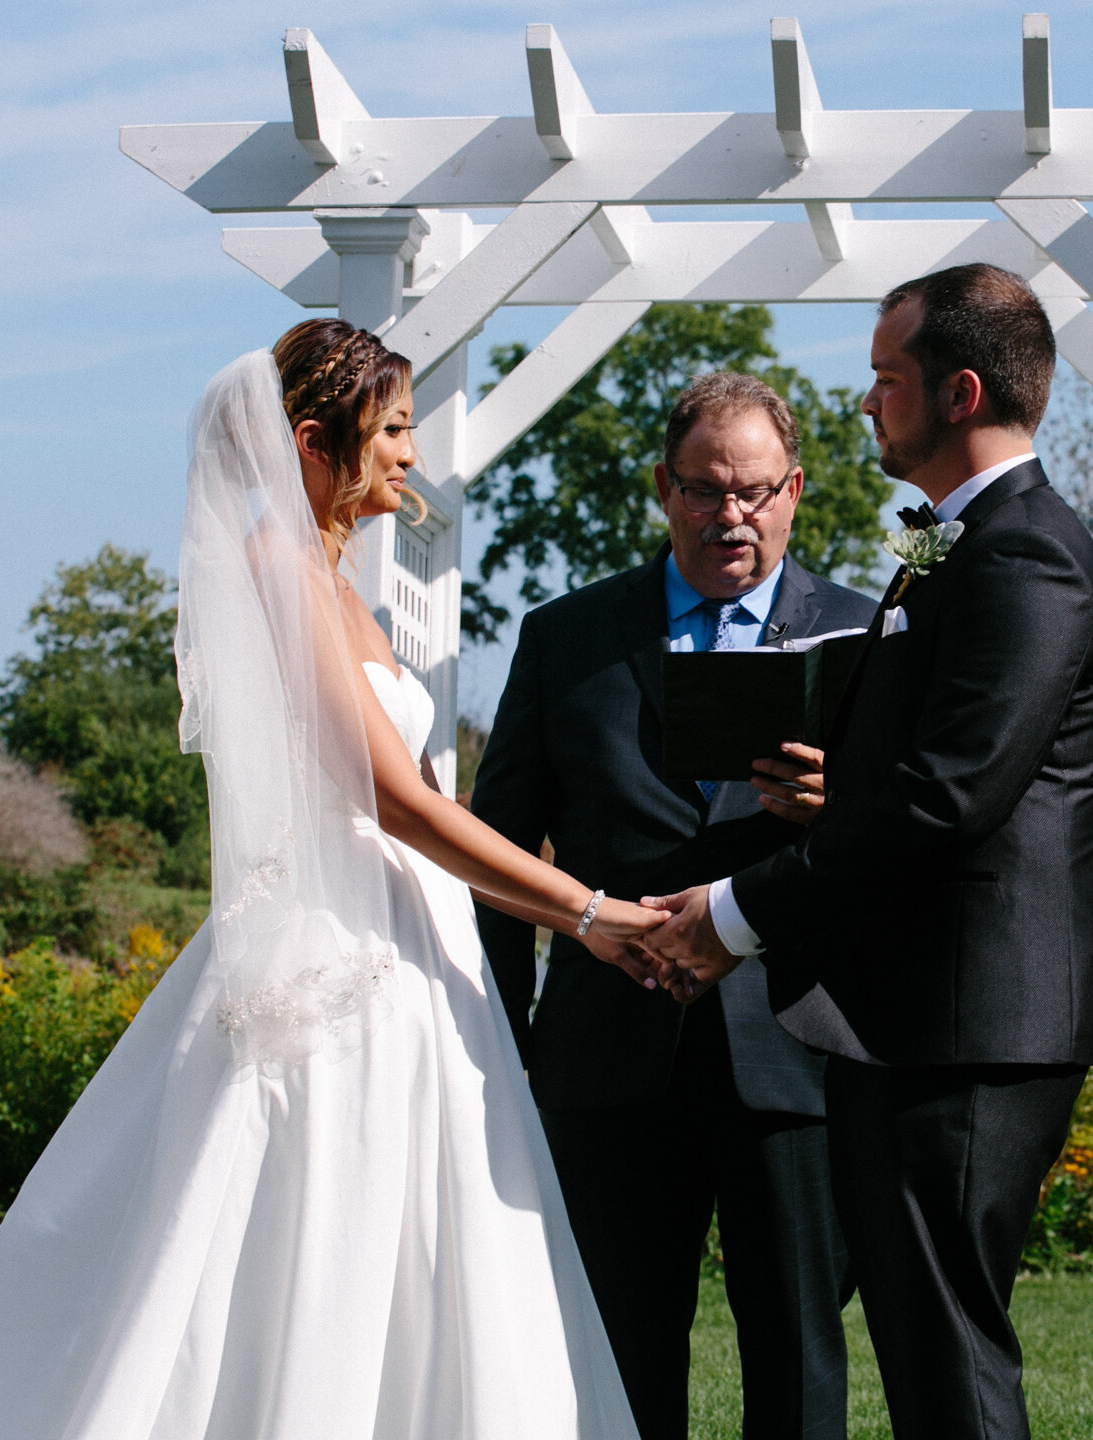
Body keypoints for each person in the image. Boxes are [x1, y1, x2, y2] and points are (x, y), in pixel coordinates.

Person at [0, 319, 665, 1440]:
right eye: (391, 430)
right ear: (312, 437)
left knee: (429, 1249)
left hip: (407, 949)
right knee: (314, 1230)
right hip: (336, 960)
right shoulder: (278, 571)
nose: (411, 456)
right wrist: (584, 913)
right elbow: (395, 802)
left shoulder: (337, 581)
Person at [641, 266, 1093, 1440]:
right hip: (920, 1021)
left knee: (948, 1359)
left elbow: (948, 802)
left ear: (957, 393)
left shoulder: (1024, 557)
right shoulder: (964, 547)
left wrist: (733, 914)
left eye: (886, 378)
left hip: (970, 1026)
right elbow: (927, 781)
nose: (866, 401)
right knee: (921, 1349)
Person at [470, 371, 877, 1440]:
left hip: (796, 1054)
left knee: (796, 1355)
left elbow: (917, 850)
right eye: (703, 490)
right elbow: (502, 854)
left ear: (795, 492)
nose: (728, 517)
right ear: (662, 488)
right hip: (605, 1062)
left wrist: (843, 808)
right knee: (609, 1353)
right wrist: (494, 1043)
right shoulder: (566, 639)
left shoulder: (869, 635)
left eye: (752, 492)